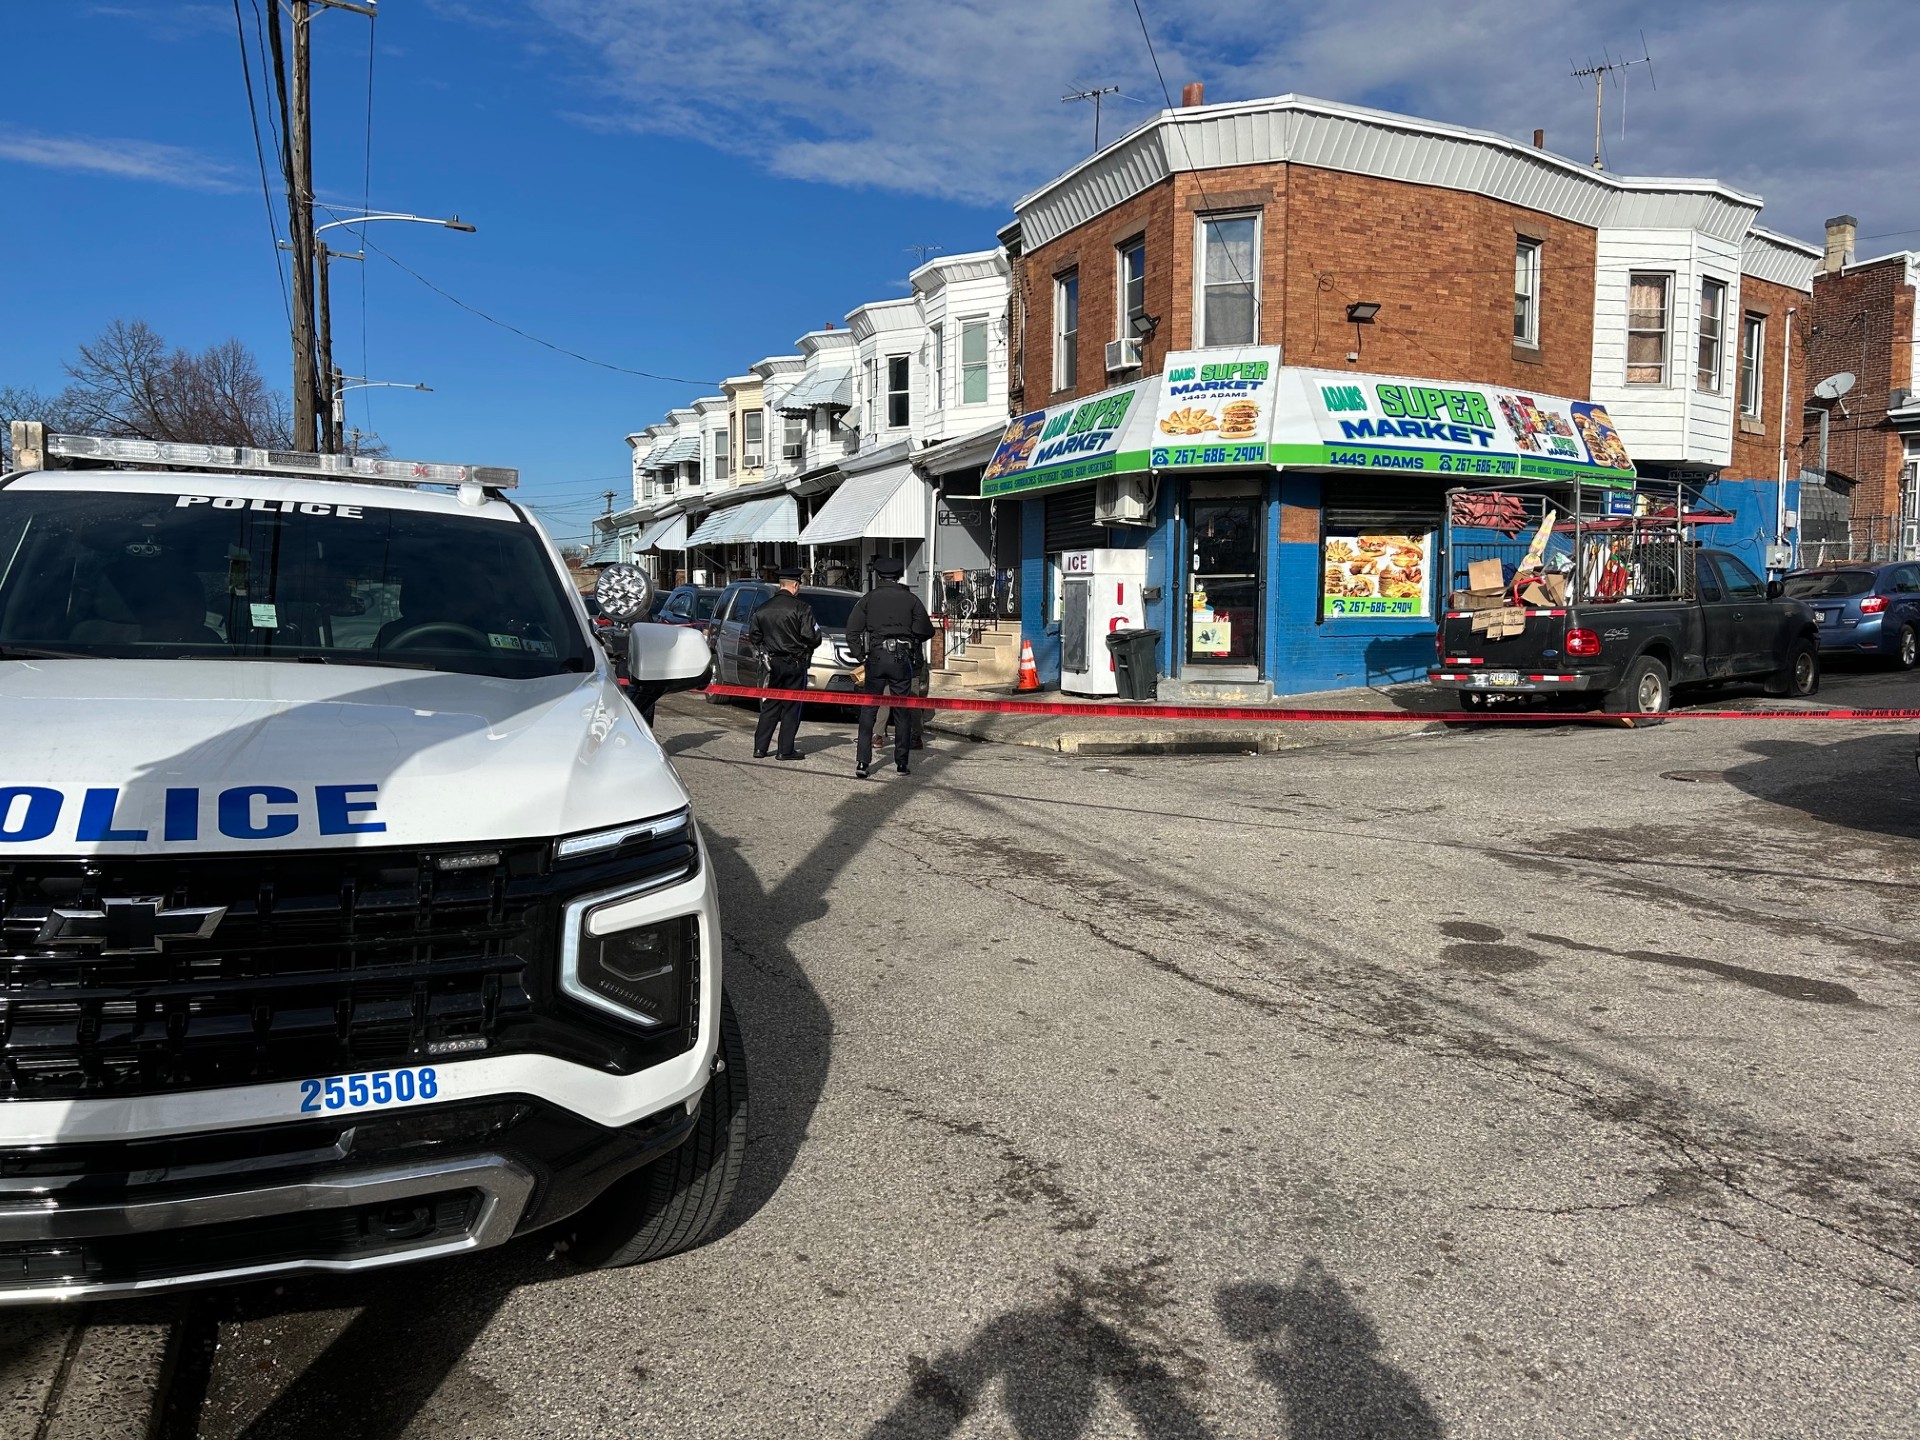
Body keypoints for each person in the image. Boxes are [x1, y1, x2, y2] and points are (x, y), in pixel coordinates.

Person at [846, 554, 934, 778]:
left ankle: (862, 762)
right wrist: (910, 637)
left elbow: (852, 631)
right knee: (902, 710)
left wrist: (860, 656)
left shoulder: (868, 599)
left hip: (876, 658)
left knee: (869, 710)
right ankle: (901, 763)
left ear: (878, 575)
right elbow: (927, 630)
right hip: (901, 659)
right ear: (899, 575)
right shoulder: (911, 599)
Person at [746, 567, 819, 760]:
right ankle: (785, 750)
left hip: (773, 663)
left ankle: (760, 748)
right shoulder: (802, 608)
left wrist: (767, 647)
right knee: (792, 706)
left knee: (771, 704)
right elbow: (811, 636)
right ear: (795, 585)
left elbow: (754, 636)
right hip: (795, 662)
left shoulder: (763, 608)